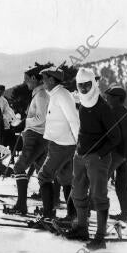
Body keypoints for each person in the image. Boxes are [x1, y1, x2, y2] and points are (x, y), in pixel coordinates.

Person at [66, 68, 121, 250]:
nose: (83, 88)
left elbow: (116, 137)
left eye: (87, 84)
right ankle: (82, 228)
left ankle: (100, 237)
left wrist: (99, 154)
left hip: (97, 158)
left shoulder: (103, 107)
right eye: (80, 85)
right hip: (80, 155)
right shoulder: (82, 102)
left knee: (98, 196)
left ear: (94, 83)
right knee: (78, 193)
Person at [4, 63, 51, 214]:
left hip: (36, 135)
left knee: (19, 167)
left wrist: (24, 122)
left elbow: (41, 118)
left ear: (33, 78)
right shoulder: (39, 94)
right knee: (43, 172)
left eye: (27, 79)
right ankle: (48, 208)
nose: (26, 82)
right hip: (39, 135)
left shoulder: (42, 95)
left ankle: (21, 205)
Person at [36, 66, 79, 219]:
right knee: (66, 179)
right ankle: (72, 214)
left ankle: (48, 214)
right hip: (62, 144)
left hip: (62, 145)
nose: (43, 81)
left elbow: (74, 119)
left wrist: (79, 143)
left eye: (45, 78)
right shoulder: (57, 94)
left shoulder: (61, 95)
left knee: (44, 176)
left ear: (52, 80)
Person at [105, 85, 127, 223]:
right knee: (123, 184)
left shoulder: (111, 112)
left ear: (117, 99)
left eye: (110, 96)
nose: (107, 98)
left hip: (115, 154)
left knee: (99, 180)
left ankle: (88, 210)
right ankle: (124, 214)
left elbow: (109, 135)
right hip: (126, 155)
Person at [0, 84, 16, 152]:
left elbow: (8, 112)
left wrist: (2, 117)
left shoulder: (4, 101)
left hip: (0, 123)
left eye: (1, 91)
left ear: (3, 92)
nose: (0, 93)